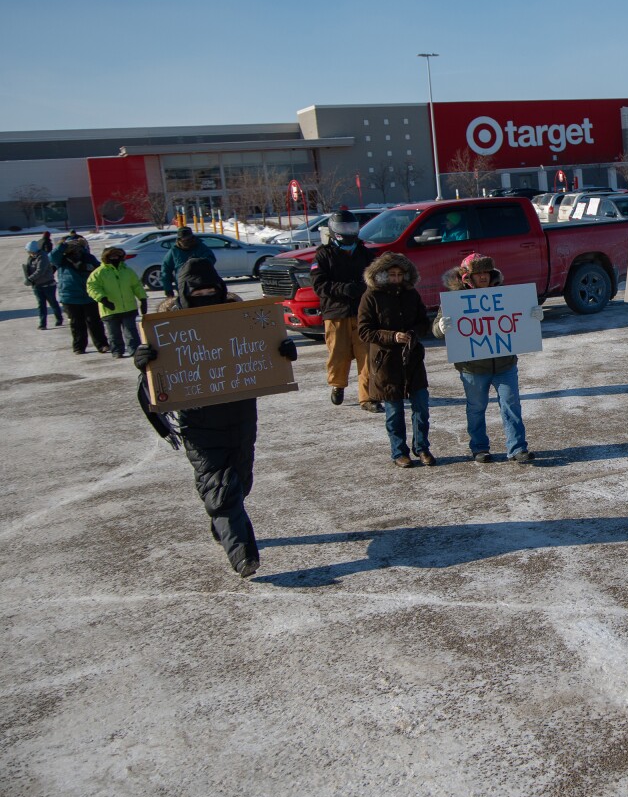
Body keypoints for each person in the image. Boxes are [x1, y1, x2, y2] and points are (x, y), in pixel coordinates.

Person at [134, 259, 298, 578]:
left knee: (240, 481)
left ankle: (222, 524)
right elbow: (157, 381)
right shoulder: (169, 326)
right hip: (198, 423)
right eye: (197, 291)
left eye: (210, 289)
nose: (205, 295)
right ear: (184, 292)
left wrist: (283, 351)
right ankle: (243, 555)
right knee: (219, 485)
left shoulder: (241, 319)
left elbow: (263, 353)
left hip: (241, 417)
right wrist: (144, 363)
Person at [432, 253, 539, 463]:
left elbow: (520, 320)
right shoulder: (455, 300)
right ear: (467, 277)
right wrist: (441, 327)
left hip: (505, 364)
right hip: (472, 367)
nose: (483, 277)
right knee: (476, 408)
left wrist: (533, 315)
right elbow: (435, 330)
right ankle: (479, 448)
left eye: (486, 273)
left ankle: (517, 449)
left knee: (511, 405)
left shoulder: (505, 296)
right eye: (478, 273)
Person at [358, 253, 433, 467]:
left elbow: (423, 322)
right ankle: (399, 452)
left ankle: (422, 448)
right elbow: (364, 331)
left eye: (400, 274)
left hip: (413, 359)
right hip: (386, 362)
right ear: (382, 275)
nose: (397, 278)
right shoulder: (371, 296)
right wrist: (392, 336)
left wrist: (413, 333)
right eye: (392, 274)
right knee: (394, 412)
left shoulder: (411, 294)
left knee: (421, 408)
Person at [312, 210, 379, 411]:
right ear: (333, 230)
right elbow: (319, 285)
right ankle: (337, 384)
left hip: (362, 312)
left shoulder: (365, 253)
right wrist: (343, 289)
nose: (348, 232)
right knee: (338, 354)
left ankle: (368, 398)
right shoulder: (324, 254)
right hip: (336, 312)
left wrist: (364, 288)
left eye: (351, 227)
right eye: (343, 228)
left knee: (366, 355)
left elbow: (376, 278)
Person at [86, 246, 147, 358]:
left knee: (131, 332)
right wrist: (103, 299)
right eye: (112, 256)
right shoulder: (99, 273)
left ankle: (135, 350)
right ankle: (117, 351)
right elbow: (92, 287)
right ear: (106, 257)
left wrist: (143, 299)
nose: (115, 258)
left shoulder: (127, 271)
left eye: (117, 256)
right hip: (110, 309)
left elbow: (136, 286)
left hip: (128, 307)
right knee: (114, 333)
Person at [51, 238, 108, 354]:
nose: (74, 250)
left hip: (89, 296)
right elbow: (52, 257)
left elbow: (99, 270)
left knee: (95, 322)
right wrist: (62, 245)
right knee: (76, 324)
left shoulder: (88, 258)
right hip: (70, 297)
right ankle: (79, 347)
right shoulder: (61, 260)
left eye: (76, 247)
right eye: (71, 247)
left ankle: (102, 345)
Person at [159, 227, 216, 299]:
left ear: (192, 237)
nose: (187, 241)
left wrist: (197, 263)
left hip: (202, 284)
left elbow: (211, 259)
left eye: (189, 239)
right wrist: (168, 289)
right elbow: (165, 270)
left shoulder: (200, 247)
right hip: (183, 285)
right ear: (179, 239)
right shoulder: (174, 251)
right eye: (184, 239)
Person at [23, 241, 64, 330]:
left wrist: (30, 279)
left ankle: (59, 318)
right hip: (37, 286)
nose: (29, 253)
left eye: (29, 251)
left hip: (48, 285)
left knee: (53, 303)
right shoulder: (31, 258)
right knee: (41, 305)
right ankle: (43, 324)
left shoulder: (43, 256)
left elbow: (40, 271)